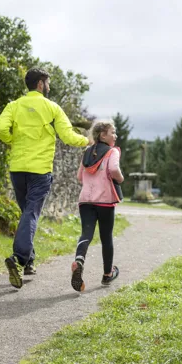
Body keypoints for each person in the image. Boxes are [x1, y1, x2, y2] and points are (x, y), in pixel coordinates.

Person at [0, 68, 89, 289]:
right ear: (40, 84)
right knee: (31, 213)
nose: (49, 87)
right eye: (47, 83)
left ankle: (29, 262)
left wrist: (11, 139)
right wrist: (88, 142)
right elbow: (67, 136)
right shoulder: (52, 108)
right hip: (39, 171)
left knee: (27, 213)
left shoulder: (14, 105)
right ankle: (18, 258)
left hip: (18, 169)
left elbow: (1, 127)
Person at [70, 120, 124, 292]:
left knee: (86, 233)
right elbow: (114, 170)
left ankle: (79, 260)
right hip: (105, 201)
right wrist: (120, 179)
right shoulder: (112, 152)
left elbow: (80, 177)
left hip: (85, 200)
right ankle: (107, 274)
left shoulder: (87, 151)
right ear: (103, 135)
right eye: (112, 132)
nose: (115, 135)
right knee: (106, 237)